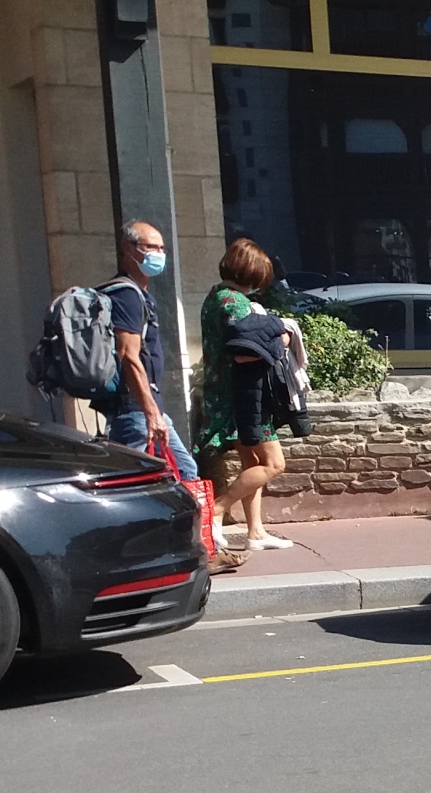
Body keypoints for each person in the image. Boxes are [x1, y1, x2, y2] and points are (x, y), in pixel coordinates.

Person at [198, 237, 298, 551]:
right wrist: (281, 341)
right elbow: (245, 350)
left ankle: (256, 531)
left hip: (224, 391)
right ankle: (217, 509)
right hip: (245, 396)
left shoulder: (215, 296)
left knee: (250, 459)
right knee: (273, 463)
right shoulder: (235, 302)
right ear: (251, 273)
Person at [92, 220, 201, 487]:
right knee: (140, 483)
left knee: (184, 471)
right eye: (150, 247)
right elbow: (128, 355)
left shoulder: (138, 294)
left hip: (141, 410)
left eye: (162, 248)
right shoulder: (127, 295)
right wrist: (151, 412)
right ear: (128, 250)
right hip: (135, 411)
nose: (159, 255)